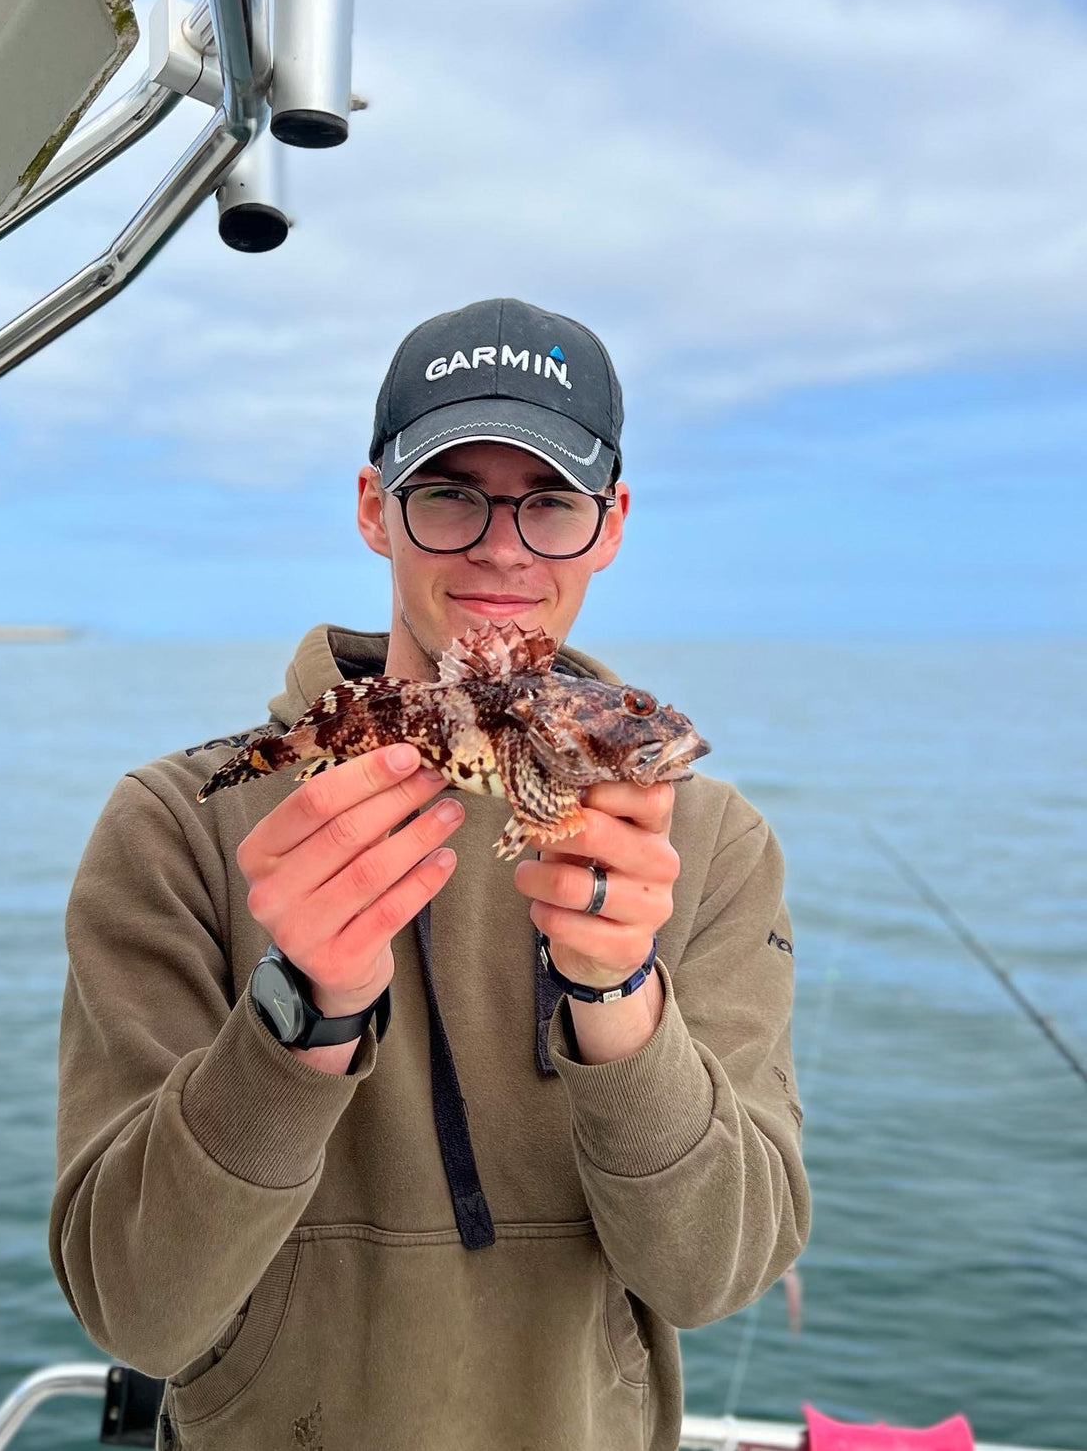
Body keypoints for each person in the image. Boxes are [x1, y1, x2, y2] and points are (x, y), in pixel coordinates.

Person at [49, 296, 811, 1451]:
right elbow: (136, 1315)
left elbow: (714, 1279)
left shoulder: (707, 846)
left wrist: (618, 998)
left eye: (550, 501)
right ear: (375, 508)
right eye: (450, 493)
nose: (502, 546)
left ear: (608, 525)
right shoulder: (173, 826)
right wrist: (300, 1016)